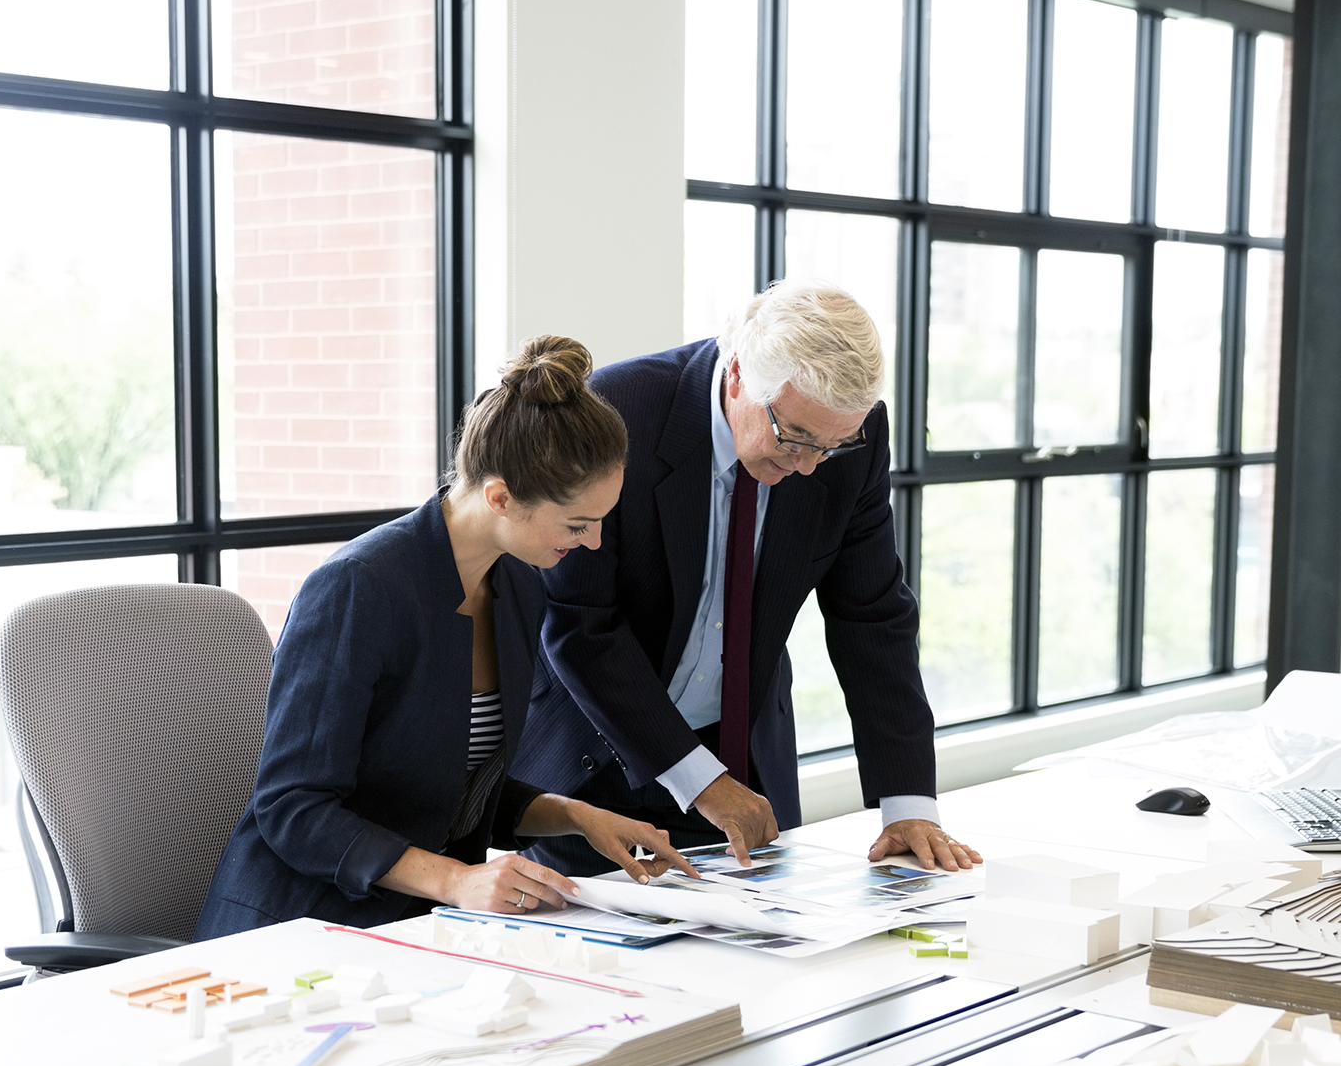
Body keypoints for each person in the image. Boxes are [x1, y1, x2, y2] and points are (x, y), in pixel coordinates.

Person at [195, 336, 698, 940]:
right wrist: (457, 881)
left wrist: (579, 816)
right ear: (500, 496)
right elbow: (294, 811)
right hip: (301, 927)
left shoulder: (516, 586)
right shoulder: (358, 589)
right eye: (577, 524)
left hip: (416, 927)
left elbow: (447, 785)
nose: (592, 543)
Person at [512, 281, 982, 877]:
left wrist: (907, 803)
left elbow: (873, 616)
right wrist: (698, 779)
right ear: (737, 375)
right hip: (597, 761)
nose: (810, 464)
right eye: (796, 437)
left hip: (745, 764)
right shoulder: (618, 411)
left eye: (832, 447)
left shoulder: (847, 437)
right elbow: (579, 623)